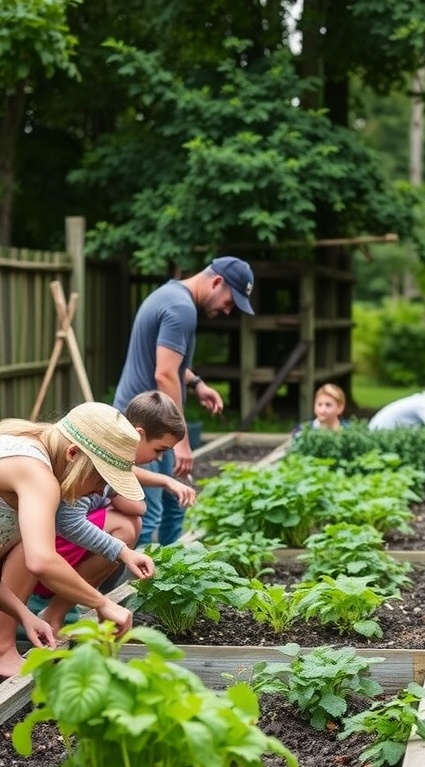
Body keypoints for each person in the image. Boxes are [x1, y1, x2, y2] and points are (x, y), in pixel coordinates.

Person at [0, 402, 151, 679]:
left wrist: (24, 614)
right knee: (34, 544)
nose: (98, 491)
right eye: (98, 481)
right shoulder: (38, 474)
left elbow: (65, 522)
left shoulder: (28, 447)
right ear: (73, 454)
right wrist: (102, 603)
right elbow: (42, 560)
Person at [113, 256, 255, 546]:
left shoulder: (172, 296)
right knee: (148, 517)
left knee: (176, 506)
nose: (228, 311)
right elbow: (164, 374)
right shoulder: (181, 308)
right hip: (141, 427)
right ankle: (136, 589)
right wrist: (182, 442)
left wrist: (196, 384)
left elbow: (171, 364)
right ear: (217, 282)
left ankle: (173, 581)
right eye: (230, 302)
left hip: (155, 422)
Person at [27, 391, 195, 634]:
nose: (159, 458)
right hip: (42, 557)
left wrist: (162, 481)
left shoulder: (98, 464)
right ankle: (52, 613)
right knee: (126, 526)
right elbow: (133, 507)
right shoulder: (86, 470)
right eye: (159, 450)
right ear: (138, 436)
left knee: (130, 522)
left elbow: (135, 504)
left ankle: (58, 609)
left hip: (50, 550)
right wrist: (122, 552)